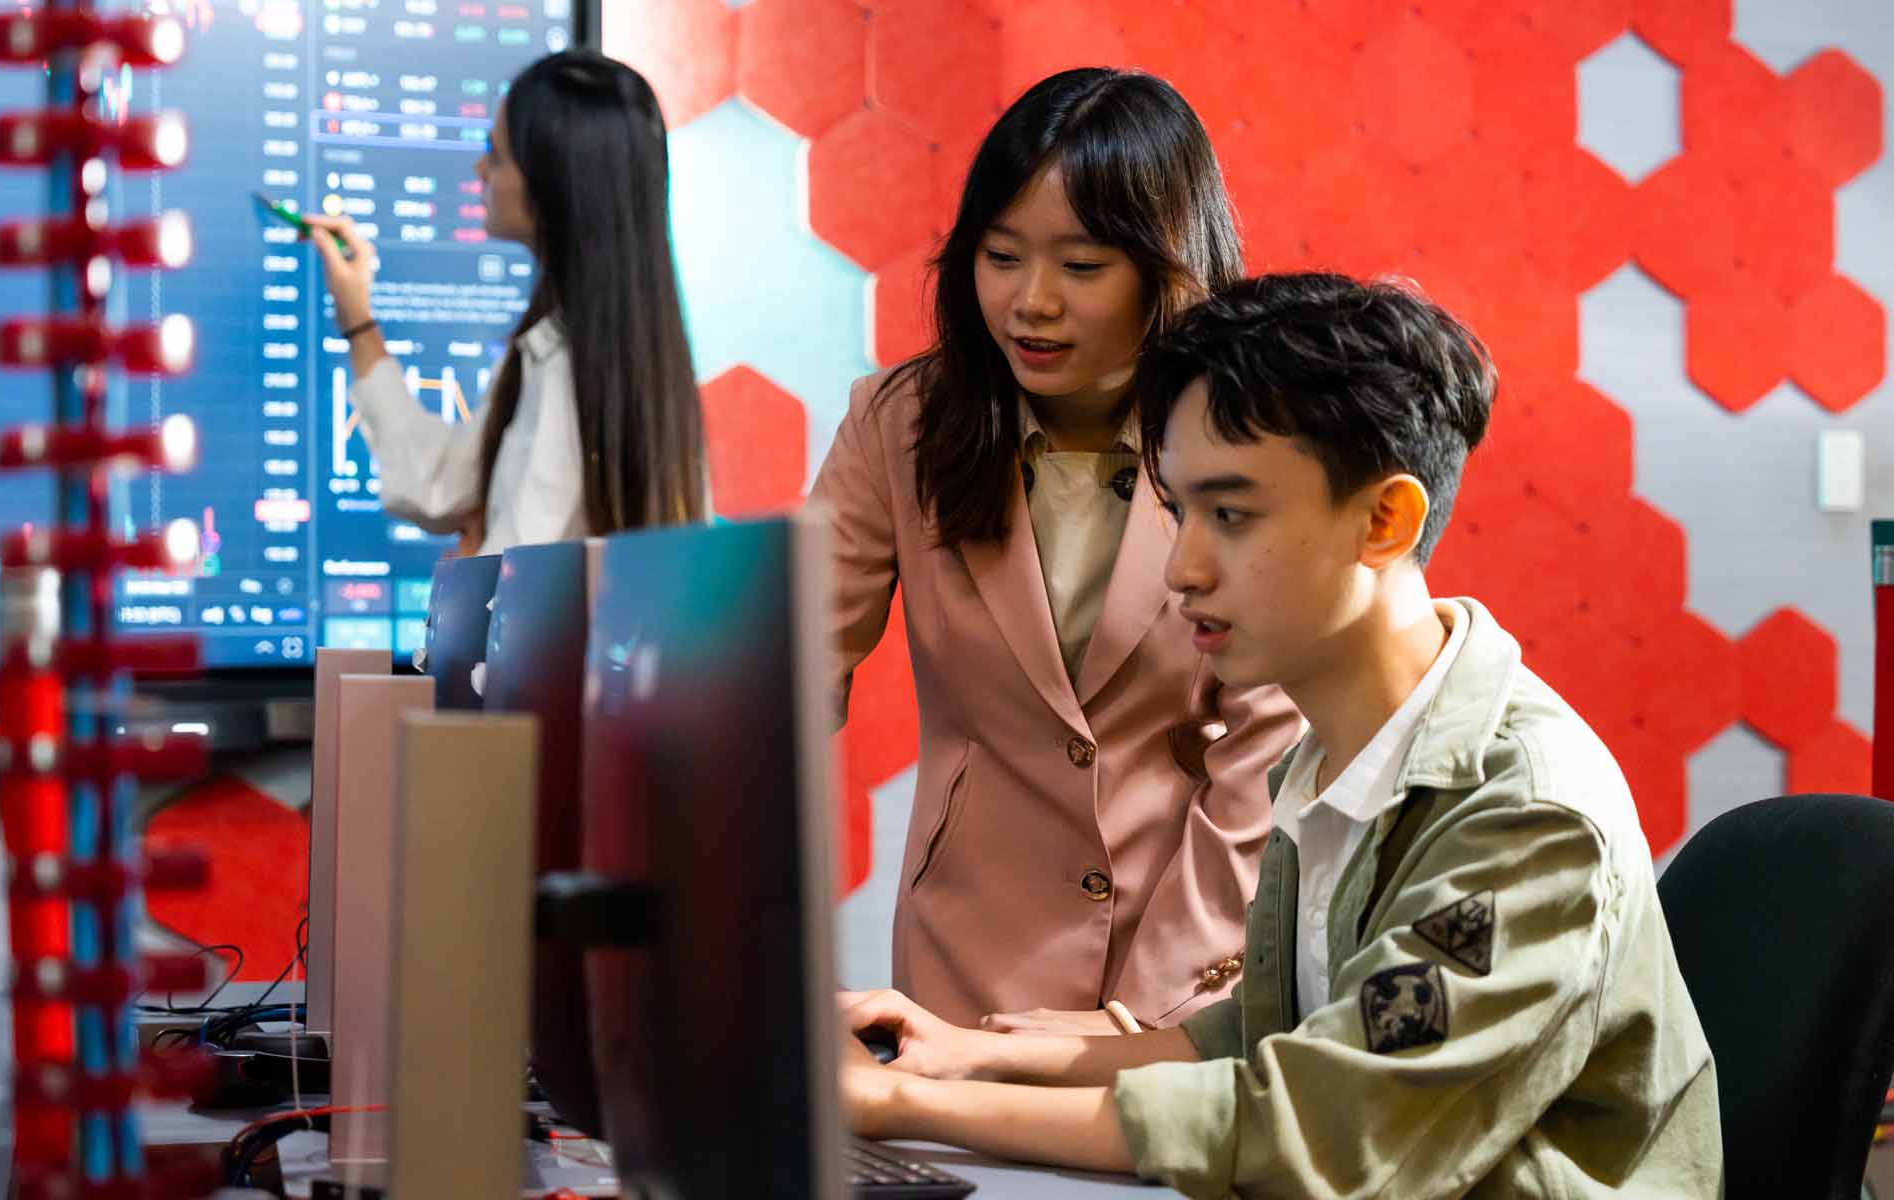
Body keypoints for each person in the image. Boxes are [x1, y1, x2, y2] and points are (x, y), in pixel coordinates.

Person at [838, 273, 1723, 1197]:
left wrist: (903, 1107)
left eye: (1232, 514)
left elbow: (1320, 1129)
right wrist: (960, 1058)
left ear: (1386, 521)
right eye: (1178, 511)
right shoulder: (1331, 757)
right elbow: (1267, 1034)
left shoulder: (1526, 815)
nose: (1181, 567)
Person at [811, 67, 1302, 1036]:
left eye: (1081, 268)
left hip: (1184, 964)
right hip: (960, 965)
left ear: (1169, 269)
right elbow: (787, 656)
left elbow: (1268, 751)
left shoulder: (1251, 437)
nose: (1030, 303)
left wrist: (1151, 1007)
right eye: (1001, 256)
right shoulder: (900, 425)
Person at [306, 49, 704, 555]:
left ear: (552, 185)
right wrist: (358, 319)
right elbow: (442, 483)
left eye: (495, 155)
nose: (480, 170)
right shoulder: (584, 350)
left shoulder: (568, 373)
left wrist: (469, 561)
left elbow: (506, 589)